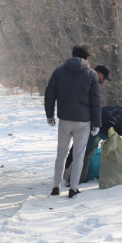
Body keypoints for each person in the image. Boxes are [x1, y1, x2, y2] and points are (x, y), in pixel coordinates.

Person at [45, 44, 102, 198]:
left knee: (61, 153)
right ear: (87, 57)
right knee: (78, 155)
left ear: (72, 55)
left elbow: (50, 93)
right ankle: (73, 188)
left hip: (64, 120)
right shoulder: (92, 75)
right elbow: (96, 101)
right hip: (83, 121)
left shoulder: (59, 72)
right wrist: (97, 123)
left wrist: (49, 115)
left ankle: (56, 187)